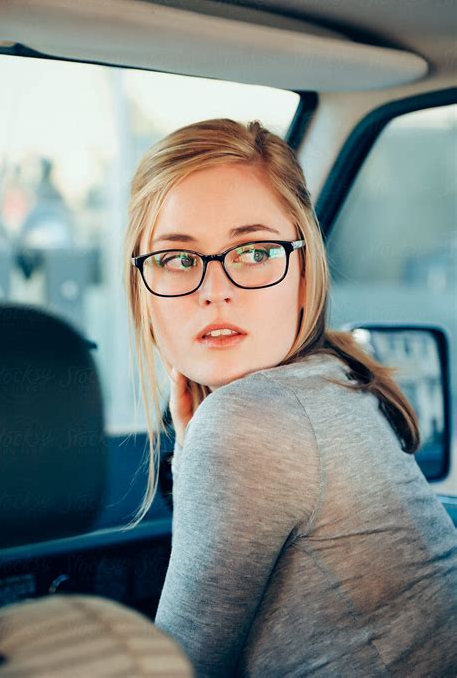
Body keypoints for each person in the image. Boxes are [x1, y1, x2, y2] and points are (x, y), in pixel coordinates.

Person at [123, 118, 457, 677]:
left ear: (304, 273)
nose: (215, 290)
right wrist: (193, 448)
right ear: (143, 292)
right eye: (177, 259)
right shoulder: (339, 376)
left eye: (253, 251)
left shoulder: (246, 422)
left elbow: (178, 669)